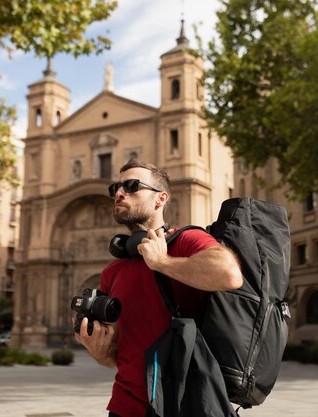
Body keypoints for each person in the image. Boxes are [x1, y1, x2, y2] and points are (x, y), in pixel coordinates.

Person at [74, 159, 243, 417]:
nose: (119, 193)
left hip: (185, 406)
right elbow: (117, 354)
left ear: (160, 199)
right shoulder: (112, 271)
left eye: (131, 186)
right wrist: (99, 352)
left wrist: (162, 262)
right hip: (124, 407)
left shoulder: (186, 241)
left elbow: (229, 274)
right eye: (116, 188)